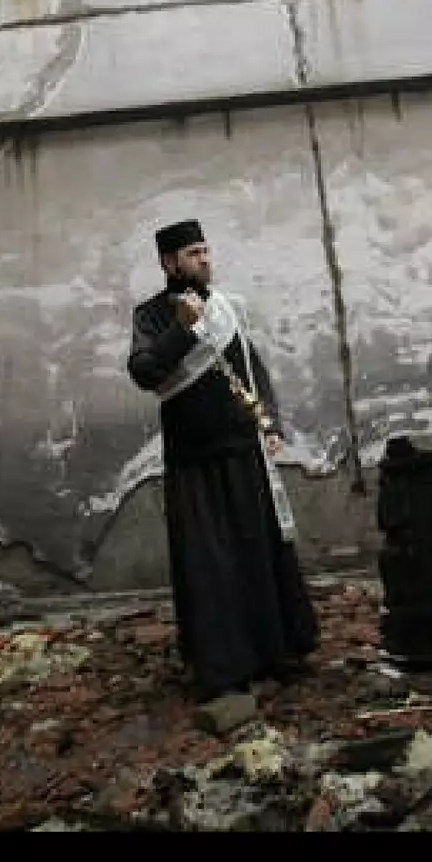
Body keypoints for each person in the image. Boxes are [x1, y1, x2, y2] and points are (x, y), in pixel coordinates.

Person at [126, 220, 319, 709]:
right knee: (210, 563)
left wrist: (270, 424)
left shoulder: (226, 309)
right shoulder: (151, 316)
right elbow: (145, 373)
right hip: (195, 462)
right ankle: (225, 666)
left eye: (207, 251)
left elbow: (254, 369)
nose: (205, 260)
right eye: (193, 253)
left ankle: (277, 650)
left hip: (243, 451)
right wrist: (182, 330)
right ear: (169, 263)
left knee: (259, 548)